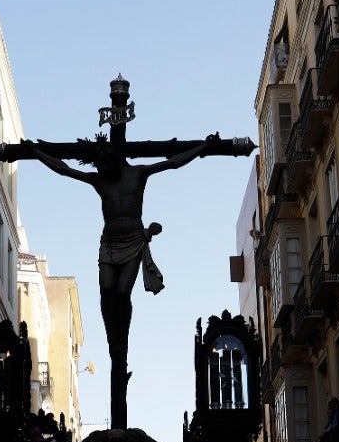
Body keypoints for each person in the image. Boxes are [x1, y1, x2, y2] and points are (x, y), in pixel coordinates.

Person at [19, 134, 227, 393]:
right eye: (99, 165)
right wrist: (36, 152)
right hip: (109, 243)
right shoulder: (99, 180)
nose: (103, 169)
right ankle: (112, 340)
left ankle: (121, 342)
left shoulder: (138, 174)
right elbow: (63, 170)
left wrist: (204, 147)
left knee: (121, 293)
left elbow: (173, 162)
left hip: (133, 241)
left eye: (105, 163)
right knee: (106, 292)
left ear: (115, 157)